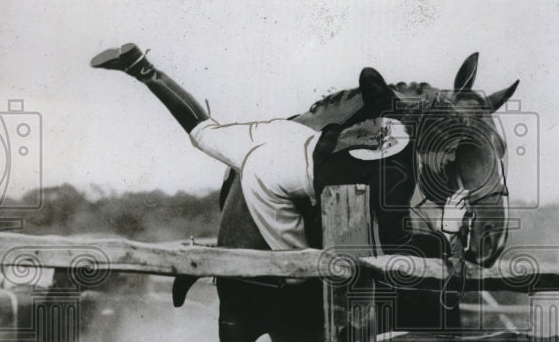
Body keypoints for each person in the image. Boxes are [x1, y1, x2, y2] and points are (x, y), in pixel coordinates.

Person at [90, 43, 470, 255]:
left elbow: (370, 87)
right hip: (269, 178)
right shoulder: (400, 171)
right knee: (299, 269)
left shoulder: (385, 123)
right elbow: (392, 242)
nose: (449, 160)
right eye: (448, 152)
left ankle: (142, 68)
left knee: (204, 131)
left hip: (283, 136)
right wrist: (447, 234)